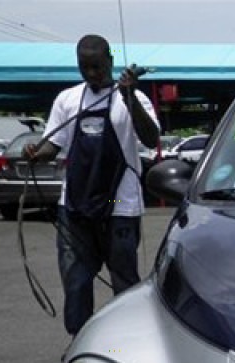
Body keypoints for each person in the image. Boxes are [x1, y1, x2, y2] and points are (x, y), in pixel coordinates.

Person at [26, 34, 160, 342]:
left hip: (117, 202)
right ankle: (81, 342)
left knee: (124, 282)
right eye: (85, 68)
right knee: (76, 280)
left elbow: (151, 139)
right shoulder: (67, 100)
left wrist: (128, 97)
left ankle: (127, 345)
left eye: (98, 67)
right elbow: (54, 145)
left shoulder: (133, 99)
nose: (92, 74)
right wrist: (38, 152)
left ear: (110, 62)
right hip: (75, 203)